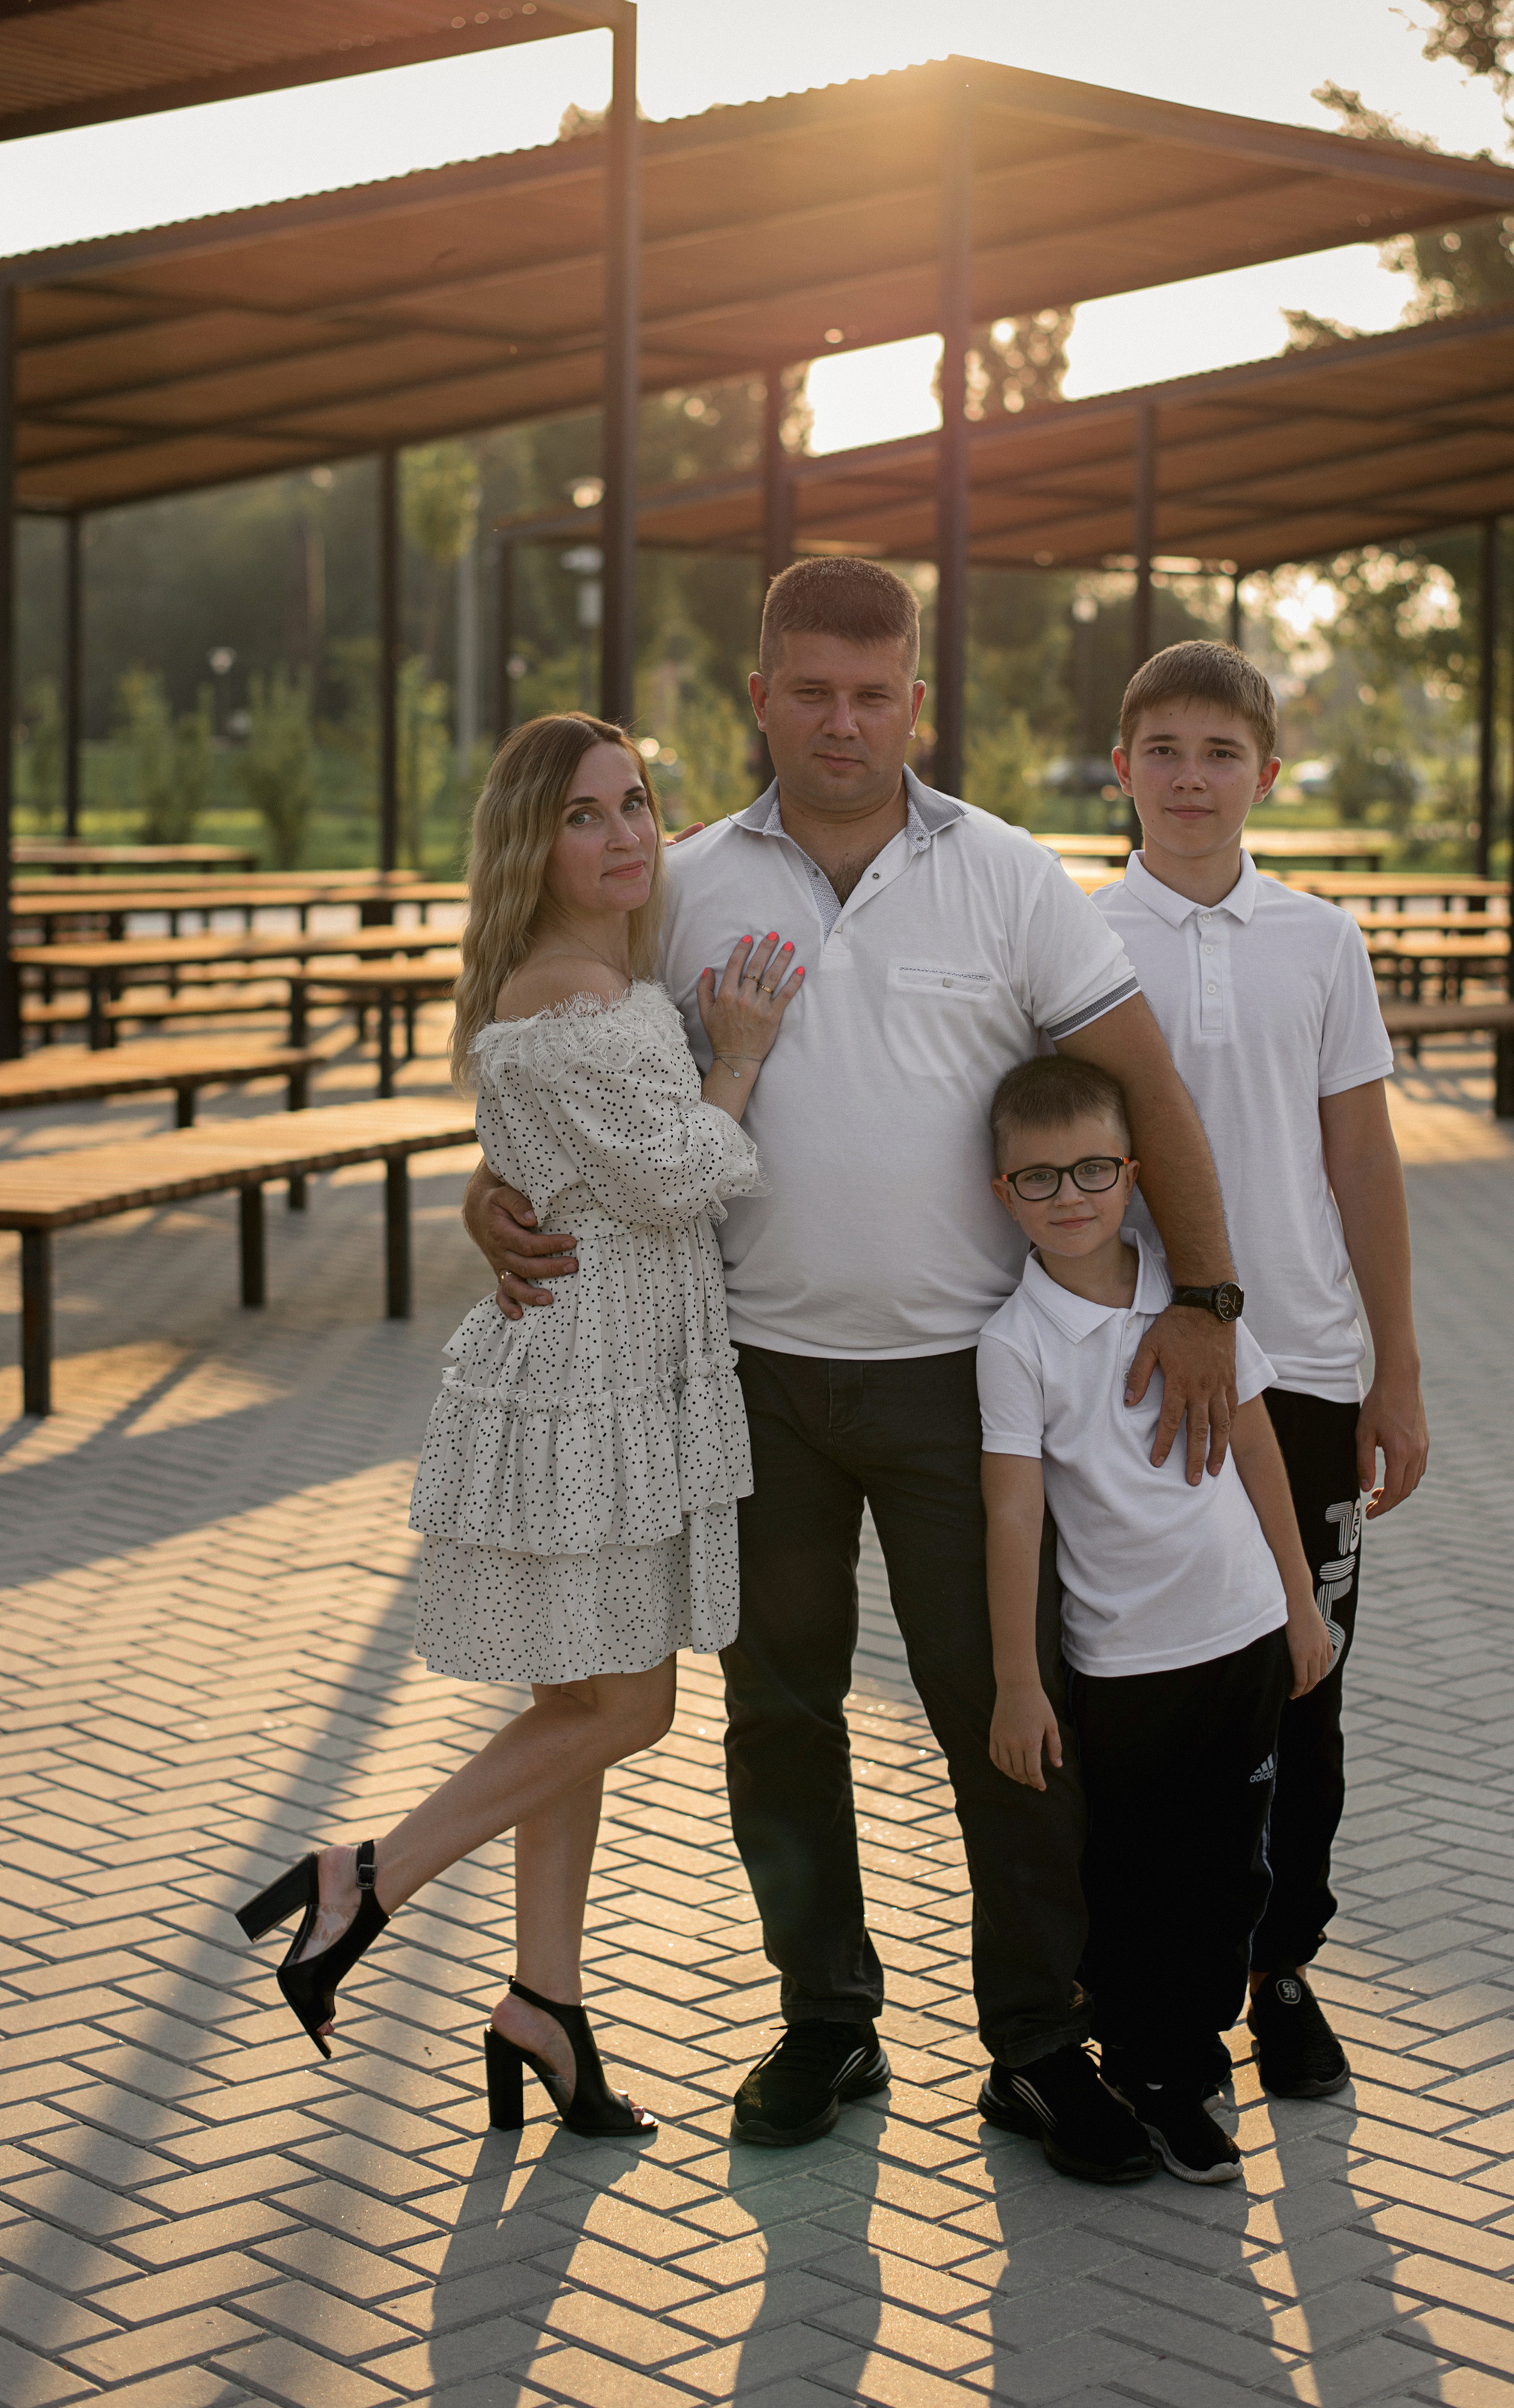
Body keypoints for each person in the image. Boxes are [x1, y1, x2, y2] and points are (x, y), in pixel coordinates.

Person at [467, 558, 1245, 2183]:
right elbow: (563, 1067)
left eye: (870, 694)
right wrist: (495, 1193)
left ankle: (1037, 2044)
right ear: (757, 697)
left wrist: (1207, 1294)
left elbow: (1143, 1080)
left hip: (971, 1391)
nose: (840, 721)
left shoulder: (1011, 877)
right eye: (807, 691)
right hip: (746, 1382)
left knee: (1003, 1724)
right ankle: (824, 2014)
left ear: (916, 701)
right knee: (777, 1710)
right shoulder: (672, 884)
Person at [236, 713, 805, 2142]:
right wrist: (737, 1053)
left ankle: (542, 2008)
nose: (625, 835)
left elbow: (544, 1159)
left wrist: (492, 1189)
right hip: (587, 1380)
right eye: (586, 815)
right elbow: (682, 1178)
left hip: (620, 1358)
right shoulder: (567, 996)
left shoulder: (601, 975)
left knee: (573, 1707)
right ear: (528, 843)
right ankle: (364, 1873)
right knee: (633, 1703)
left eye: (637, 804)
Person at [1093, 640, 1429, 2106]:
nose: (1187, 777)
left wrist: (1395, 1373)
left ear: (1264, 778)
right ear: (1120, 769)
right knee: (1148, 1688)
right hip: (1136, 1374)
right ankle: (1146, 1979)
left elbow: (1359, 1156)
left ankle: (1276, 1967)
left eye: (1217, 753)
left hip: (1298, 1367)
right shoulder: (1071, 937)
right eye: (1159, 749)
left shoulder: (1319, 939)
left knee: (1305, 1679)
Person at [977, 1053, 1331, 2183]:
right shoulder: (1015, 1344)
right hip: (1124, 1662)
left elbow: (1262, 1444)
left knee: (1231, 1873)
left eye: (1091, 1169)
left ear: (1131, 1173)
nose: (1069, 1196)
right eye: (1038, 1179)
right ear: (1002, 1196)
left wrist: (1297, 1598)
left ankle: (1185, 2051)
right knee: (1131, 1882)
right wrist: (1019, 1682)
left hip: (1239, 1639)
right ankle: (1155, 2070)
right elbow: (1013, 1518)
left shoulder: (1190, 1297)